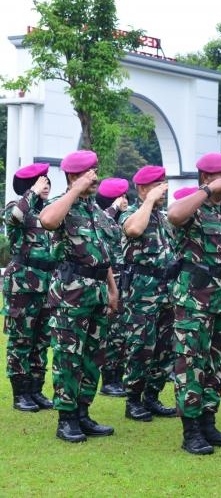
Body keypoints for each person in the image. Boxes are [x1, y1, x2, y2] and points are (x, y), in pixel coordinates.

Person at [167, 152, 221, 455]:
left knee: (218, 363)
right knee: (191, 363)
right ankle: (191, 432)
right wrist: (206, 190)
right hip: (194, 300)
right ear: (206, 177)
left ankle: (208, 423)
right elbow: (174, 215)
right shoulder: (192, 206)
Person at [40, 150, 118, 442]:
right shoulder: (62, 204)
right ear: (73, 175)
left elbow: (102, 255)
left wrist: (113, 289)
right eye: (89, 172)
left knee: (93, 357)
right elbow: (48, 220)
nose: (95, 177)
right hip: (70, 294)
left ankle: (83, 412)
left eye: (96, 170)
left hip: (97, 291)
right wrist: (74, 190)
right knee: (68, 356)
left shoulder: (95, 211)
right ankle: (67, 419)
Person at [119, 165, 177, 422]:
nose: (163, 190)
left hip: (167, 290)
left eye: (163, 185)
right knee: (141, 346)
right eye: (157, 186)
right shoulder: (131, 213)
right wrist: (149, 200)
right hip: (141, 291)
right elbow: (133, 230)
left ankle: (152, 396)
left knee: (166, 347)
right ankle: (133, 399)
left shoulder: (162, 218)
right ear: (142, 188)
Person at [4, 163, 57, 412]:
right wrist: (32, 193)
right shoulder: (16, 207)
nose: (46, 185)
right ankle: (20, 394)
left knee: (42, 340)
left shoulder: (49, 212)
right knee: (21, 339)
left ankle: (36, 390)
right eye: (40, 182)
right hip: (22, 285)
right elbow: (15, 218)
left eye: (47, 181)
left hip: (47, 284)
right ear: (29, 185)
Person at [95, 178, 130, 397]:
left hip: (125, 280)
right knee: (112, 333)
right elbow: (100, 225)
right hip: (109, 281)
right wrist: (114, 208)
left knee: (122, 333)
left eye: (125, 197)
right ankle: (108, 380)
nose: (125, 201)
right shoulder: (101, 216)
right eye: (120, 197)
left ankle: (118, 377)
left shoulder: (125, 218)